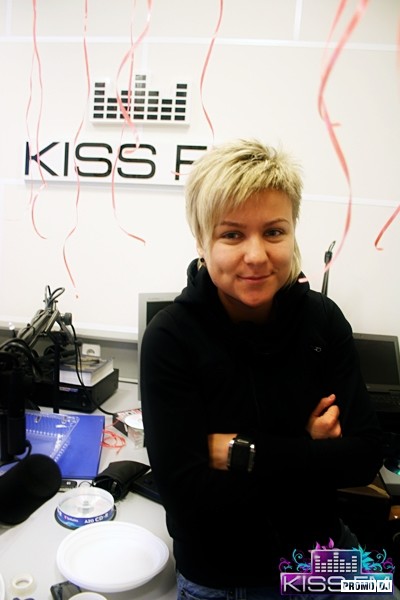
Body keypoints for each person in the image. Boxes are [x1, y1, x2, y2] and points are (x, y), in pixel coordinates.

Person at [140, 139, 391, 600]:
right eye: (232, 235)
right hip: (227, 578)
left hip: (323, 551)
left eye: (274, 232)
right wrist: (310, 449)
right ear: (201, 241)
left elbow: (364, 456)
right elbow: (187, 496)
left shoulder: (322, 320)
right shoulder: (171, 338)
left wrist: (239, 451)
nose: (256, 255)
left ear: (293, 232)